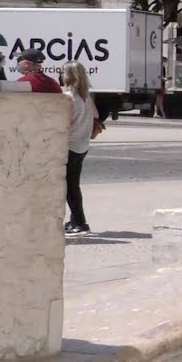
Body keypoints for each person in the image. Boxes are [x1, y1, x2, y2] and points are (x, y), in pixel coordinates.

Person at [60, 61, 97, 236]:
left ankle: (80, 221)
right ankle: (75, 220)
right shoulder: (87, 96)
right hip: (82, 144)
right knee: (74, 184)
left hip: (70, 145)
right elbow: (96, 116)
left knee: (70, 186)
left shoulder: (68, 97)